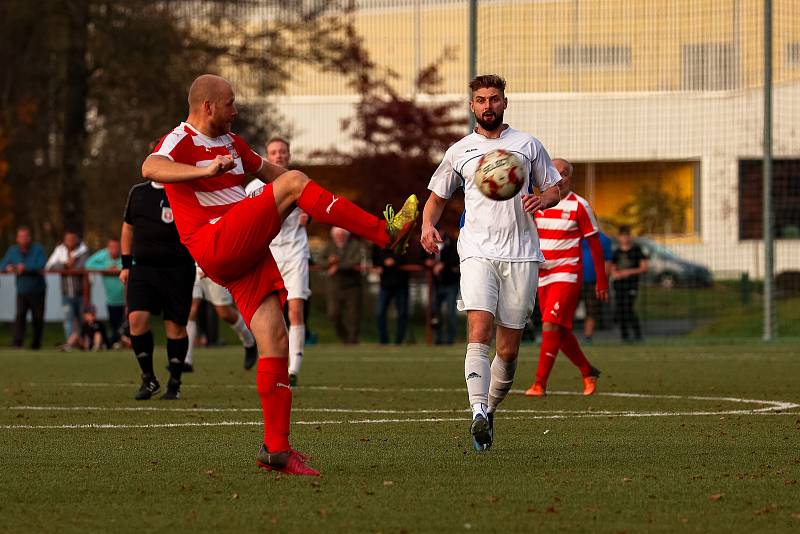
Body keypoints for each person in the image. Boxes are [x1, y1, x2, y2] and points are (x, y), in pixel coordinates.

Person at [141, 74, 418, 476]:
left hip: (244, 250)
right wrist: (203, 172)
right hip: (215, 239)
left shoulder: (234, 144)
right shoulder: (180, 139)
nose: (236, 111)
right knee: (293, 182)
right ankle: (384, 233)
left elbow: (271, 172)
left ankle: (277, 450)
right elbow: (151, 166)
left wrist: (303, 192)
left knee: (275, 339)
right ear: (208, 107)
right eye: (231, 103)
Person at [420, 74, 565, 452]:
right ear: (472, 106)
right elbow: (437, 197)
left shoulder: (527, 145)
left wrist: (544, 200)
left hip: (521, 253)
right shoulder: (460, 151)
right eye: (481, 99)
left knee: (509, 351)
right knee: (478, 327)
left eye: (494, 99)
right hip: (476, 251)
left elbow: (554, 185)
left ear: (505, 102)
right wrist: (426, 225)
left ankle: (491, 408)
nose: (488, 105)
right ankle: (477, 411)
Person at [524, 159, 609, 397]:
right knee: (558, 331)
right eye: (555, 173)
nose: (559, 178)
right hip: (542, 275)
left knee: (551, 325)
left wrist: (601, 281)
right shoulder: (538, 202)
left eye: (564, 174)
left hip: (567, 273)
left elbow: (595, 244)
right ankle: (587, 370)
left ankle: (539, 384)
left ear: (570, 177)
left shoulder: (579, 205)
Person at [120, 179, 196, 401]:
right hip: (143, 269)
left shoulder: (185, 190)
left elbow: (201, 224)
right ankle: (149, 379)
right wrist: (125, 265)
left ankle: (175, 382)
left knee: (175, 327)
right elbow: (127, 226)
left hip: (178, 269)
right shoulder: (138, 192)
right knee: (136, 319)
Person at [245, 137, 311, 386]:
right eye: (274, 152)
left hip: (295, 252)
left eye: (283, 151)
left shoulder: (299, 182)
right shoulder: (253, 187)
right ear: (267, 156)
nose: (279, 156)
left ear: (289, 154)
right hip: (268, 253)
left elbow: (313, 209)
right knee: (269, 314)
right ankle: (273, 362)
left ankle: (293, 368)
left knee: (295, 309)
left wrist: (309, 217)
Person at [185, 265, 258, 372]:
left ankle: (249, 341)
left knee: (224, 312)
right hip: (194, 265)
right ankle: (187, 360)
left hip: (214, 265)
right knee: (191, 307)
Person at [0, 226, 47, 349]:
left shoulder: (38, 249)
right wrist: (8, 268)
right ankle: (17, 343)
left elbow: (41, 264)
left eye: (26, 236)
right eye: (21, 237)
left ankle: (36, 344)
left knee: (38, 318)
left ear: (29, 238)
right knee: (20, 316)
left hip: (37, 290)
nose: (23, 239)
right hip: (22, 290)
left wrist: (24, 268)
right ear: (17, 238)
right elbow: (2, 265)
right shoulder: (12, 250)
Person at [45, 230, 89, 349]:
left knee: (81, 319)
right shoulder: (59, 250)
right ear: (65, 239)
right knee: (68, 319)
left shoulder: (83, 250)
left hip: (81, 293)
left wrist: (72, 265)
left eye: (72, 239)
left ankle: (81, 343)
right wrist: (64, 265)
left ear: (76, 239)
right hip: (66, 293)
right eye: (68, 239)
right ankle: (70, 343)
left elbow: (83, 265)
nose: (70, 242)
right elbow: (49, 266)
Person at [322, 227, 365, 345]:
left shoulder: (355, 245)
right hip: (334, 285)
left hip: (352, 285)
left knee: (353, 315)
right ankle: (344, 337)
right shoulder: (329, 246)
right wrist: (329, 262)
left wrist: (337, 266)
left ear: (346, 235)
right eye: (337, 235)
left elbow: (356, 262)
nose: (339, 237)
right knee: (333, 313)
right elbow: (320, 261)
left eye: (342, 235)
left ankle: (352, 340)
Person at [86, 238, 127, 347]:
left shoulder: (125, 253)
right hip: (111, 300)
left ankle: (115, 343)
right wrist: (106, 268)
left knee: (125, 326)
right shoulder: (103, 256)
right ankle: (111, 344)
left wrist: (119, 268)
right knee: (114, 326)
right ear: (107, 248)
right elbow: (88, 264)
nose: (114, 250)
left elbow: (135, 263)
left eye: (117, 247)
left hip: (126, 301)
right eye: (111, 247)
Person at [610, 225, 648, 342]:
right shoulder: (616, 252)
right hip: (619, 285)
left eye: (627, 236)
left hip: (631, 285)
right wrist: (615, 273)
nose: (625, 238)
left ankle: (637, 334)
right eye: (623, 236)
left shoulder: (637, 250)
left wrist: (628, 272)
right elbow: (612, 267)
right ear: (619, 237)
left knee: (629, 309)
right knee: (620, 309)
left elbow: (644, 267)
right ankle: (624, 336)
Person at [426, 231, 460, 345]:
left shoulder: (452, 244)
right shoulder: (428, 242)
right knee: (436, 313)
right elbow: (423, 258)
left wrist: (443, 265)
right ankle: (438, 339)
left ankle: (450, 339)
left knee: (450, 312)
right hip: (436, 284)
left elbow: (456, 259)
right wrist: (428, 262)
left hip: (450, 283)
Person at [372, 246, 410, 345]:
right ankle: (383, 341)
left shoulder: (404, 238)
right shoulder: (378, 240)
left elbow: (408, 257)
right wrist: (381, 263)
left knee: (402, 314)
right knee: (380, 313)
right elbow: (375, 259)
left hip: (401, 282)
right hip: (385, 283)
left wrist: (394, 260)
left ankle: (399, 341)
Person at [580, 229, 613, 342]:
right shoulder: (574, 236)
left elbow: (608, 261)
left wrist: (602, 281)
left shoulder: (604, 239)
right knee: (566, 309)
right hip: (573, 279)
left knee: (592, 309)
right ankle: (561, 335)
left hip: (593, 281)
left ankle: (587, 336)